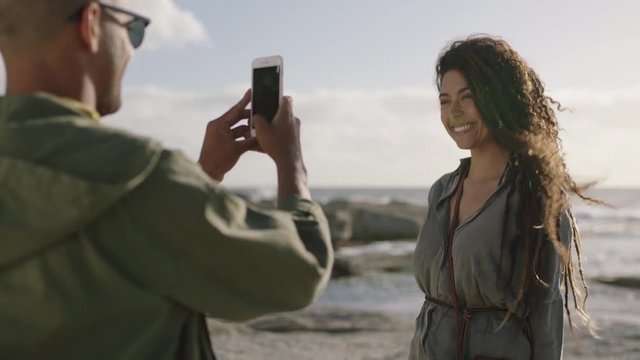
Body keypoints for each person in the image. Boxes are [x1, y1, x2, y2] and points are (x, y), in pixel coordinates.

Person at [0, 1, 333, 359]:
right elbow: (297, 272)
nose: (131, 50)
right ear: (91, 23)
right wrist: (291, 164)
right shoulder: (137, 176)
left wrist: (202, 175)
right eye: (134, 30)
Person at [409, 36, 597, 360]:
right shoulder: (442, 191)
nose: (454, 111)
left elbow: (546, 312)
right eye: (445, 100)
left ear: (498, 98)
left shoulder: (534, 198)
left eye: (467, 97)